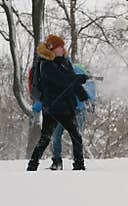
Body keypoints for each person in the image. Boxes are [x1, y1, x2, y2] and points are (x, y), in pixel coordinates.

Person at [26, 34, 89, 171]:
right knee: (75, 135)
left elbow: (72, 82)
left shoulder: (65, 62)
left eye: (62, 46)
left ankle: (32, 164)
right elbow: (63, 80)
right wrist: (79, 78)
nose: (62, 49)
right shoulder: (46, 64)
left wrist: (84, 97)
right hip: (55, 106)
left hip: (64, 105)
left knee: (46, 137)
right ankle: (79, 165)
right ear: (52, 49)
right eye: (60, 47)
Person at [49, 64, 96, 170]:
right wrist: (91, 103)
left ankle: (57, 162)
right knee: (76, 137)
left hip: (65, 110)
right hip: (73, 109)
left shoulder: (64, 72)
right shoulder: (83, 74)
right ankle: (77, 162)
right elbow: (91, 89)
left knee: (57, 136)